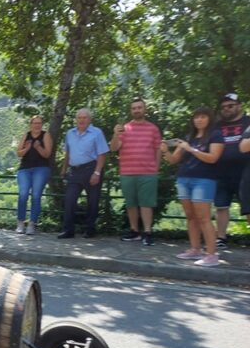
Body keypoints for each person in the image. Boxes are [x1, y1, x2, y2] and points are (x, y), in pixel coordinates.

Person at [160, 107, 224, 267]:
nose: (199, 120)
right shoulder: (189, 137)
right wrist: (165, 151)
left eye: (203, 117)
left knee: (204, 217)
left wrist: (191, 149)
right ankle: (195, 249)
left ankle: (211, 254)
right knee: (190, 216)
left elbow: (213, 158)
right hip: (184, 179)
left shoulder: (215, 135)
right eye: (196, 117)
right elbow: (174, 160)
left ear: (209, 118)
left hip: (203, 180)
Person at [109, 98, 162, 245]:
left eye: (139, 107)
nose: (137, 110)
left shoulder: (153, 128)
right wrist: (115, 134)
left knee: (146, 204)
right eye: (134, 108)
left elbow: (158, 150)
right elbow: (114, 148)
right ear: (131, 111)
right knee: (131, 204)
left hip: (148, 172)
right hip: (127, 172)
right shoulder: (124, 128)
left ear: (144, 109)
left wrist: (156, 169)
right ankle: (134, 231)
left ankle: (147, 232)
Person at [58, 108, 109, 239]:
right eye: (79, 118)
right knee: (69, 199)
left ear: (89, 119)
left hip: (91, 168)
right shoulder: (70, 133)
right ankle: (68, 230)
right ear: (76, 119)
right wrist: (64, 169)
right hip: (74, 170)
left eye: (84, 117)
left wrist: (97, 173)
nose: (81, 120)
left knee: (92, 201)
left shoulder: (97, 133)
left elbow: (102, 154)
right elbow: (67, 153)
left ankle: (90, 229)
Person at [213, 93, 250, 249]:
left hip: (246, 171)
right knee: (221, 206)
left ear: (239, 106)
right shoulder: (217, 125)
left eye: (230, 106)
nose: (226, 109)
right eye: (223, 107)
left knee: (249, 207)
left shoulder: (248, 122)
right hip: (222, 171)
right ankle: (221, 238)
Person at [16, 115, 52, 235]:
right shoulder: (26, 136)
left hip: (41, 168)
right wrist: (27, 148)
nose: (37, 125)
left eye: (39, 123)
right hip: (25, 169)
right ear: (30, 124)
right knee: (23, 194)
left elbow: (47, 154)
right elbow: (19, 153)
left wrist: (38, 147)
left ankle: (32, 223)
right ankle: (20, 222)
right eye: (35, 123)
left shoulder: (45, 135)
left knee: (36, 195)